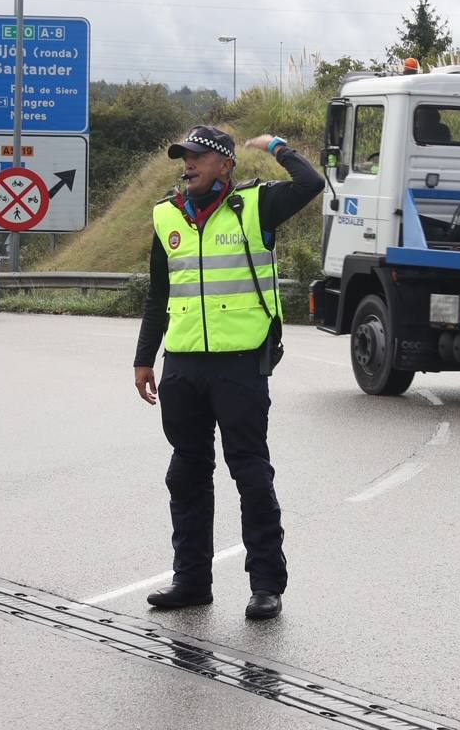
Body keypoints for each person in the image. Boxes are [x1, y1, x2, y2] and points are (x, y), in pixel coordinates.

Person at [133, 124, 324, 620]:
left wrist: (279, 148)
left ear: (225, 165)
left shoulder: (256, 207)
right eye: (183, 157)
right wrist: (143, 359)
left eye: (197, 156)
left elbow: (310, 184)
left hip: (240, 365)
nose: (187, 164)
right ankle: (191, 581)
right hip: (183, 366)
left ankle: (266, 585)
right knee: (187, 474)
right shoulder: (166, 215)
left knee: (250, 473)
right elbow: (159, 295)